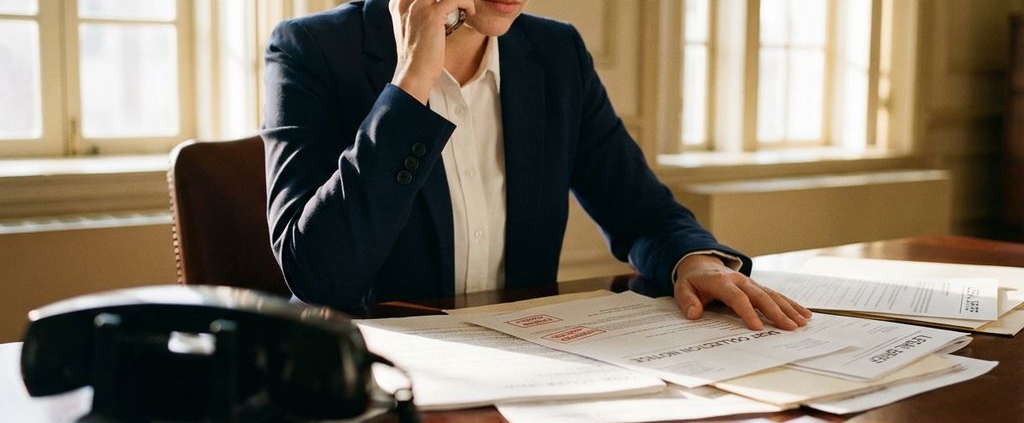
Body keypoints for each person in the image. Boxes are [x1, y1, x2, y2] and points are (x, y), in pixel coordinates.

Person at [261, 0, 811, 330]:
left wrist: (695, 261)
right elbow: (320, 277)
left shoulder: (555, 53)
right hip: (382, 381)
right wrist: (409, 85)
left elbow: (642, 210)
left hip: (529, 372)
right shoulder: (311, 51)